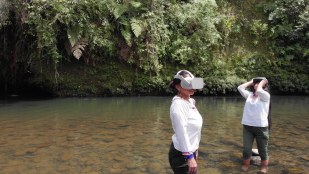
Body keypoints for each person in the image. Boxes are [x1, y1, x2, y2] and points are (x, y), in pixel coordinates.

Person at [168, 70, 204, 174]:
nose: (191, 87)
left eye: (192, 84)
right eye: (187, 85)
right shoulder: (179, 105)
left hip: (188, 152)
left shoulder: (188, 101)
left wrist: (195, 148)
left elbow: (192, 128)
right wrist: (189, 157)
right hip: (181, 156)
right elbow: (181, 132)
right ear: (178, 87)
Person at [237, 77, 272, 173]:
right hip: (248, 127)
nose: (257, 84)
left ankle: (264, 168)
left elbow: (260, 91)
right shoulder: (250, 95)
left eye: (259, 83)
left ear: (264, 85)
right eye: (256, 83)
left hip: (261, 128)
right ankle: (246, 165)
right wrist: (251, 82)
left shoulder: (265, 96)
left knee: (262, 151)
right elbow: (240, 88)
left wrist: (262, 82)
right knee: (246, 149)